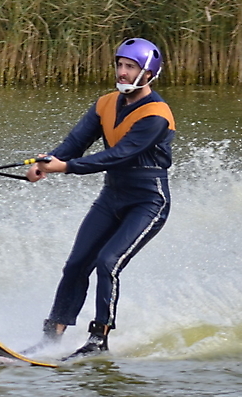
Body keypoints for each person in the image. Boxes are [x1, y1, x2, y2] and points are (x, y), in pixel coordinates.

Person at [25, 38, 175, 360]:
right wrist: (47, 162)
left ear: (148, 73)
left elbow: (118, 155)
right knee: (77, 263)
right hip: (112, 196)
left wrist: (66, 167)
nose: (122, 72)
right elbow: (75, 143)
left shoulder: (156, 115)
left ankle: (98, 340)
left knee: (108, 262)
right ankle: (51, 338)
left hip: (149, 201)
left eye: (130, 66)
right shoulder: (105, 103)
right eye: (119, 65)